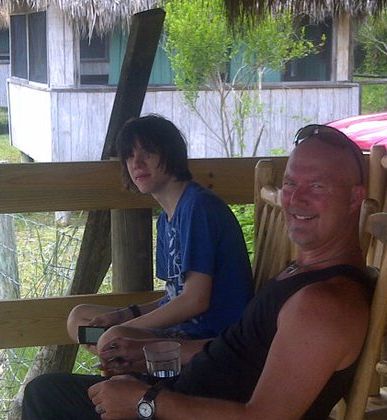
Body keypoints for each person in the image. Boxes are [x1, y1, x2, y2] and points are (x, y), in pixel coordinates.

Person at [0, 124, 371, 420]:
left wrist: (146, 401)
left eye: (317, 187)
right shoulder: (299, 274)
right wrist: (151, 356)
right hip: (184, 407)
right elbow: (235, 351)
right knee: (48, 399)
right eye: (291, 183)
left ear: (355, 198)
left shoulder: (324, 305)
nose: (295, 199)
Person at [67, 114, 253, 349]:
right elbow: (173, 297)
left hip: (211, 338)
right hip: (183, 328)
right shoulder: (166, 219)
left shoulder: (198, 207)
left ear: (171, 153)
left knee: (113, 337)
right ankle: (116, 356)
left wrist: (124, 330)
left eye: (147, 152)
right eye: (129, 155)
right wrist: (123, 315)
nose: (137, 163)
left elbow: (195, 301)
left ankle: (119, 356)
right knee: (79, 317)